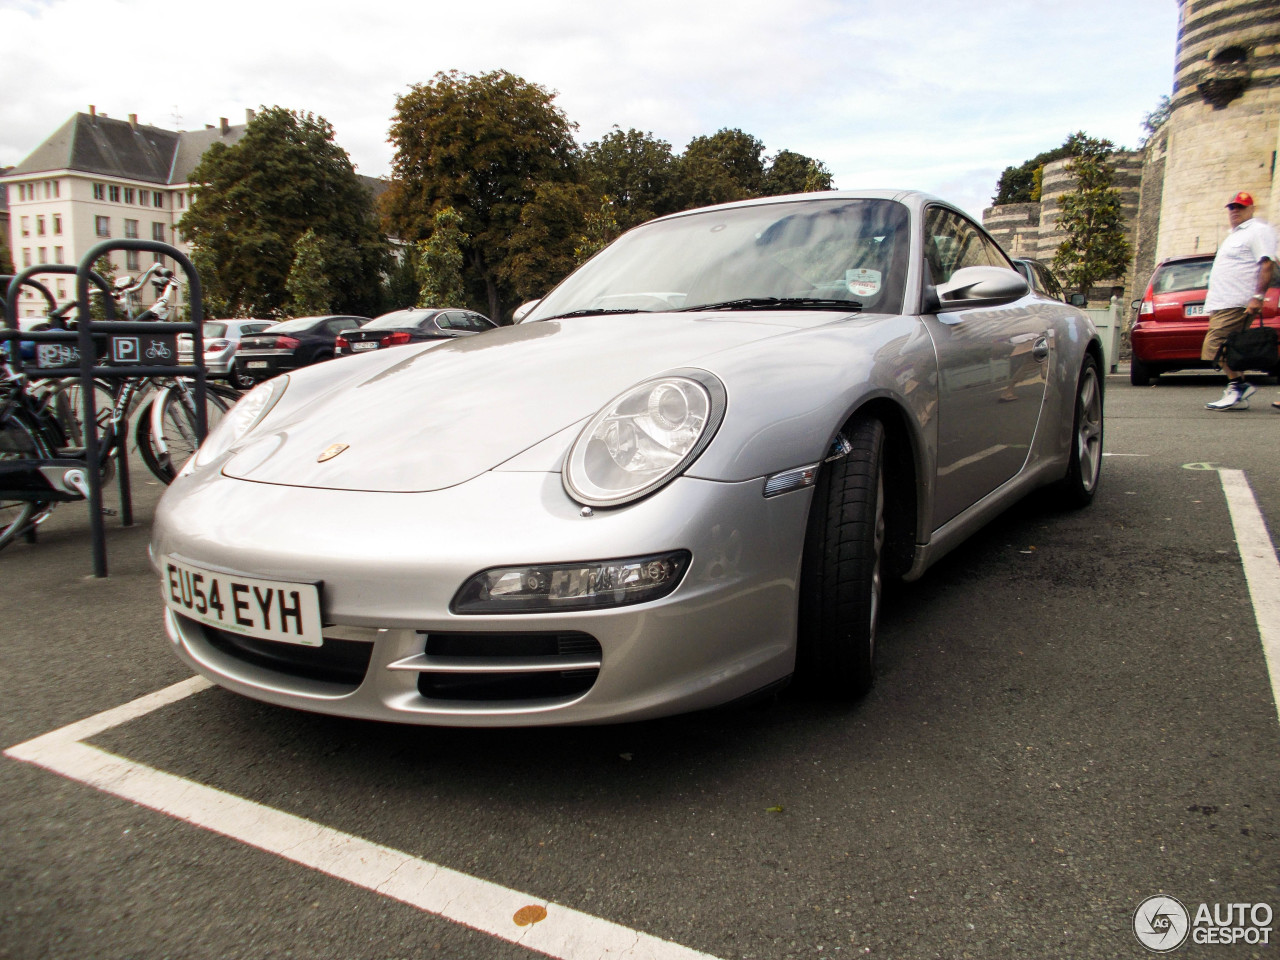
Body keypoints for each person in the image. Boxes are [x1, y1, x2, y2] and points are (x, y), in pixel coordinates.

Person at [1202, 191, 1277, 410]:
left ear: (1251, 209)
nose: (1235, 211)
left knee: (1215, 344)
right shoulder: (1234, 235)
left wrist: (1258, 297)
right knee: (1229, 345)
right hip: (1223, 301)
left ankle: (1238, 385)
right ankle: (1237, 388)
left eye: (1240, 207)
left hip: (1237, 301)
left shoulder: (1258, 231)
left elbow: (1267, 264)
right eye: (1232, 207)